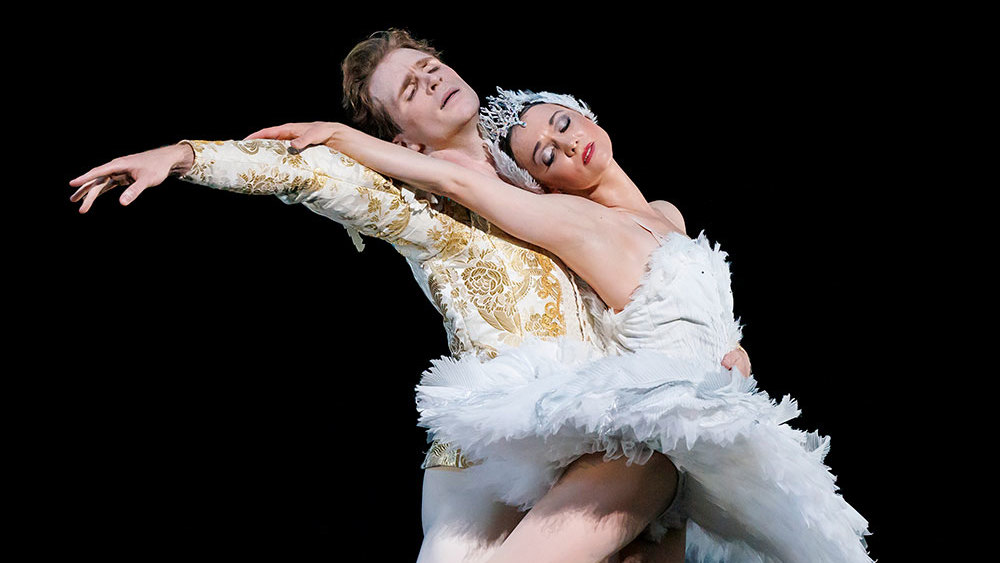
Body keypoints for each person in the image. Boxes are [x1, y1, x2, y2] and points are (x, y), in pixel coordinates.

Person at [67, 29, 751, 563]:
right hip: (486, 456)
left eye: (431, 67)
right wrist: (187, 156)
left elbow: (645, 279)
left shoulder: (539, 168)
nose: (431, 79)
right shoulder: (408, 195)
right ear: (402, 137)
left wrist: (718, 344)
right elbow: (307, 172)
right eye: (411, 90)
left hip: (588, 433)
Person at [244, 87, 873, 562]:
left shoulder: (667, 214)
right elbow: (446, 177)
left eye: (563, 124)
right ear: (546, 184)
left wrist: (734, 350)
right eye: (547, 155)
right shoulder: (575, 223)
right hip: (659, 418)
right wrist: (338, 136)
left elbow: (700, 313)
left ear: (588, 115)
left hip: (712, 428)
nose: (568, 145)